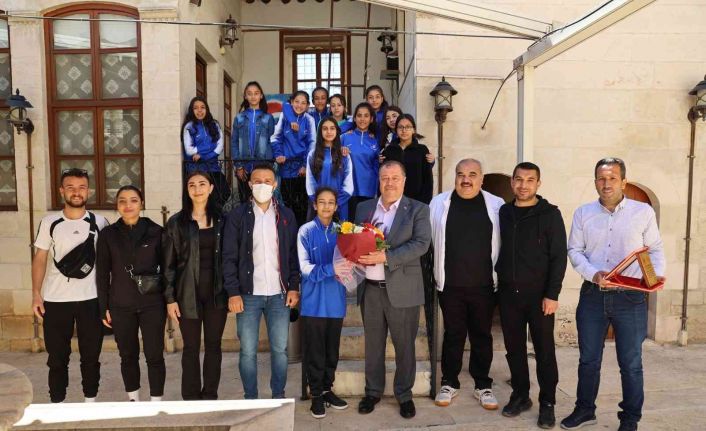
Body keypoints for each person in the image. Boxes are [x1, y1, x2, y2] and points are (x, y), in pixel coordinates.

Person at [561, 158, 666, 431]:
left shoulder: (643, 212)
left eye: (612, 178)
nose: (606, 184)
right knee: (588, 360)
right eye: (601, 178)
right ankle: (585, 410)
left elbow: (654, 249)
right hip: (593, 295)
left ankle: (630, 418)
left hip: (630, 298)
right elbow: (574, 251)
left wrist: (655, 276)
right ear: (595, 181)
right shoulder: (583, 213)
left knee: (631, 363)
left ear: (624, 182)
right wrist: (593, 273)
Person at [354, 161, 431, 419]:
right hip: (370, 290)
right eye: (385, 178)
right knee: (373, 345)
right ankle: (372, 392)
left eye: (395, 177)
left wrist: (386, 257)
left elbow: (421, 243)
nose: (389, 183)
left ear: (404, 180)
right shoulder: (364, 208)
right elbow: (354, 241)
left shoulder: (418, 209)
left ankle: (404, 395)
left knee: (404, 346)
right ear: (378, 180)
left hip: (403, 289)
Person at [494, 162, 567, 428]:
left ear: (538, 183)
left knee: (544, 351)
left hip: (540, 297)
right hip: (508, 295)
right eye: (519, 180)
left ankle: (547, 402)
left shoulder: (550, 214)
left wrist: (552, 294)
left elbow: (559, 256)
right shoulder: (504, 212)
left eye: (529, 180)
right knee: (514, 350)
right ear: (512, 182)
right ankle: (521, 395)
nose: (523, 185)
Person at [429, 158, 503, 410]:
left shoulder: (496, 205)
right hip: (450, 285)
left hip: (484, 285)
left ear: (481, 178)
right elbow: (429, 241)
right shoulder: (439, 203)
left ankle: (483, 385)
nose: (466, 179)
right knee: (453, 335)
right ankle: (449, 382)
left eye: (472, 174)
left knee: (482, 335)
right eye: (461, 174)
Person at [222, 163, 301, 399]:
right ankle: (251, 398)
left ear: (275, 184)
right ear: (249, 184)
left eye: (267, 181)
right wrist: (233, 292)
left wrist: (293, 287)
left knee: (280, 350)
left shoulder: (286, 215)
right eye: (257, 181)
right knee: (248, 351)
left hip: (279, 294)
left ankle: (278, 396)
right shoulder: (237, 216)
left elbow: (293, 255)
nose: (262, 185)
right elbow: (229, 257)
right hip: (248, 295)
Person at [31, 168, 109, 403]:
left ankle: (90, 403)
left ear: (89, 191)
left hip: (91, 300)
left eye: (81, 187)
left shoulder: (101, 222)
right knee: (57, 359)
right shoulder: (49, 222)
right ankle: (57, 404)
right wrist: (36, 294)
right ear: (61, 191)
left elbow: (109, 263)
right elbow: (40, 259)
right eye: (71, 187)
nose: (77, 192)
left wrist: (110, 301)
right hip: (56, 301)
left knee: (91, 357)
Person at [163, 171, 229, 400]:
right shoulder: (176, 223)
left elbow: (231, 258)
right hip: (187, 294)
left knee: (213, 345)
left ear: (211, 188)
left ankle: (210, 395)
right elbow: (168, 264)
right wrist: (170, 298)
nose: (197, 189)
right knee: (190, 348)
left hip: (217, 293)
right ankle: (191, 398)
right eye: (192, 185)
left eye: (202, 184)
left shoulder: (222, 220)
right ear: (187, 190)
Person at [96, 185, 166, 402]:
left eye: (133, 200)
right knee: (127, 355)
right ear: (117, 206)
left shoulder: (156, 231)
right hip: (120, 304)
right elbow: (102, 273)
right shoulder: (108, 235)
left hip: (152, 304)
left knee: (154, 355)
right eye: (122, 201)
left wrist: (170, 300)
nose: (128, 205)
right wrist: (103, 307)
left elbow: (168, 269)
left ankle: (156, 402)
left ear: (141, 203)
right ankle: (133, 400)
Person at [298, 187, 349, 418]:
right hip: (313, 303)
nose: (326, 206)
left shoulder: (344, 231)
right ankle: (316, 394)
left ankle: (327, 389)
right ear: (315, 205)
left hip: (336, 301)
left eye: (330, 202)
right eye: (322, 202)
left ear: (336, 206)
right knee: (315, 352)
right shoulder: (305, 231)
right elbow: (304, 268)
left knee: (331, 352)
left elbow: (349, 263)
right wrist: (331, 269)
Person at [271, 90, 316, 226]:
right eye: (297, 102)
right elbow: (276, 138)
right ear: (291, 102)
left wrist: (305, 165)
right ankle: (288, 233)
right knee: (286, 202)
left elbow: (312, 144)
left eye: (303, 103)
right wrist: (278, 154)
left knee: (301, 205)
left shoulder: (309, 120)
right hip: (286, 167)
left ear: (307, 105)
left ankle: (301, 233)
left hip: (302, 169)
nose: (299, 105)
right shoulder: (284, 116)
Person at [231, 81, 275, 203]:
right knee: (245, 203)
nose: (253, 96)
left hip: (263, 168)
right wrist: (238, 166)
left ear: (261, 96)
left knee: (262, 201)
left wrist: (268, 166)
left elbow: (272, 141)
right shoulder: (239, 118)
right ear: (245, 96)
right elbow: (234, 142)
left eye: (256, 93)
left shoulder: (268, 118)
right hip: (244, 169)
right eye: (249, 93)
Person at [182, 96, 230, 207]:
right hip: (196, 170)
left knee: (224, 192)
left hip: (213, 168)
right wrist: (210, 147)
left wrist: (202, 155)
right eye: (196, 108)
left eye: (202, 107)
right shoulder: (189, 126)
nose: (199, 110)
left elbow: (219, 147)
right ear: (192, 110)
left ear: (207, 109)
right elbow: (189, 150)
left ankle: (215, 215)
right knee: (202, 199)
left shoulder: (214, 124)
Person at [305, 117, 354, 221]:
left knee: (340, 231)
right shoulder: (312, 154)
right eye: (325, 128)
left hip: (340, 205)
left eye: (332, 128)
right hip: (319, 206)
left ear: (337, 131)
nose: (329, 132)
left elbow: (348, 184)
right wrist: (320, 202)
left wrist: (335, 203)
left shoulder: (344, 154)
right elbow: (310, 183)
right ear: (320, 132)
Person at [380, 114, 434, 204]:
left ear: (413, 130)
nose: (404, 130)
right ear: (396, 130)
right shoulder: (389, 150)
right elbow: (383, 177)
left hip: (417, 201)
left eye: (408, 127)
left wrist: (425, 202)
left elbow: (428, 178)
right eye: (400, 127)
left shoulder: (422, 150)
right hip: (393, 200)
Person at [341, 102, 379, 220]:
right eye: (359, 115)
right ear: (354, 118)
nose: (362, 119)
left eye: (366, 116)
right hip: (349, 190)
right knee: (348, 225)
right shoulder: (345, 137)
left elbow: (378, 164)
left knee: (365, 226)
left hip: (369, 190)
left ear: (371, 119)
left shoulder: (375, 140)